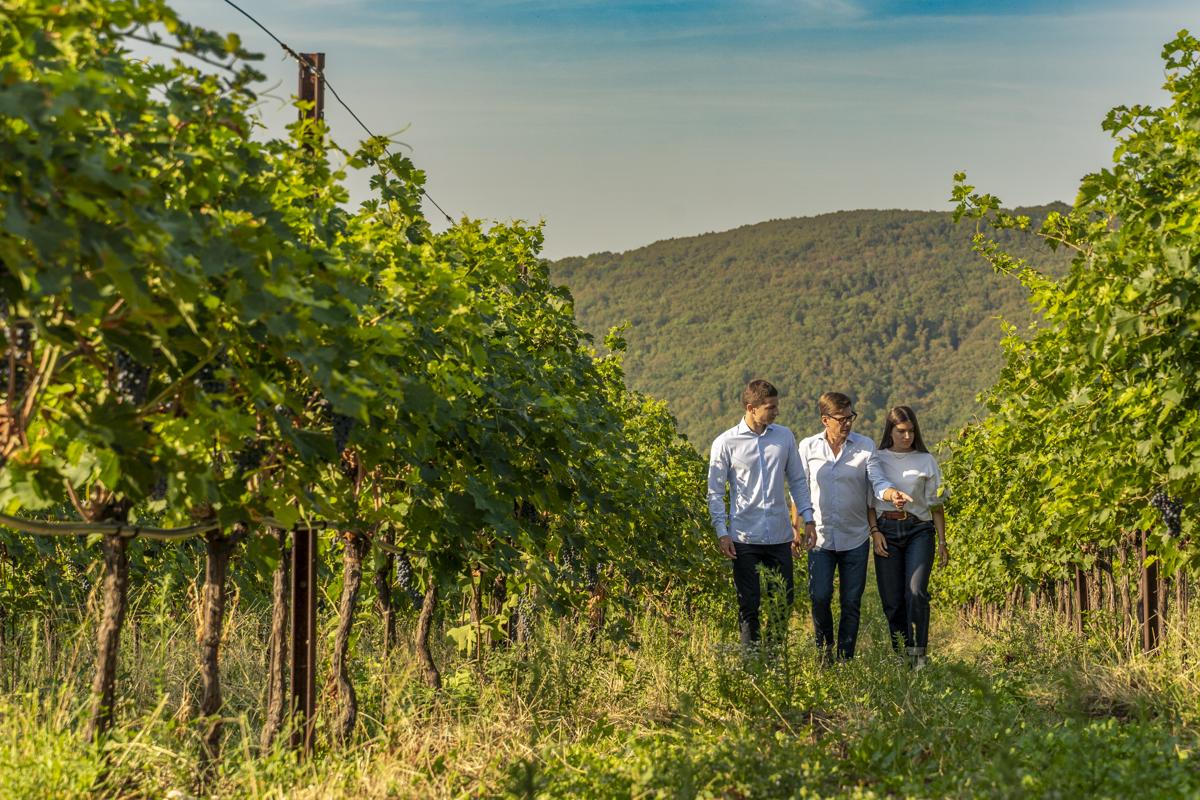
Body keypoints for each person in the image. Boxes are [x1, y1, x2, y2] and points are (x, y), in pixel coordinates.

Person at [796, 392, 912, 662]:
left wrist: (890, 493)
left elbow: (877, 481)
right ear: (826, 420)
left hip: (855, 537)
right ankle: (825, 655)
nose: (848, 423)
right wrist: (799, 524)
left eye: (851, 417)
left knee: (851, 602)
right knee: (820, 597)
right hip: (820, 537)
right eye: (842, 419)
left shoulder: (865, 446)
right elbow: (799, 489)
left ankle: (845, 658)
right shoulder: (808, 447)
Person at [708, 379, 815, 648]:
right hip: (744, 537)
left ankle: (775, 660)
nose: (776, 412)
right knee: (749, 604)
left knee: (783, 600)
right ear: (751, 407)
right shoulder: (725, 443)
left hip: (779, 536)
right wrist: (722, 533)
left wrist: (808, 518)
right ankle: (752, 664)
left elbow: (798, 481)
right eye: (770, 407)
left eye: (776, 406)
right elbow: (715, 492)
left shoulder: (784, 437)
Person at [867, 405, 949, 670]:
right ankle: (901, 654)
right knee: (892, 600)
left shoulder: (926, 460)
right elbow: (869, 503)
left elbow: (936, 505)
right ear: (890, 431)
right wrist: (875, 532)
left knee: (915, 592)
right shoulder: (876, 458)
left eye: (911, 431)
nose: (907, 436)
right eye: (901, 431)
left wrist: (943, 542)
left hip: (918, 530)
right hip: (886, 531)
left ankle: (919, 654)